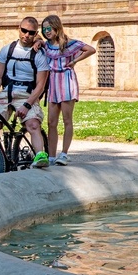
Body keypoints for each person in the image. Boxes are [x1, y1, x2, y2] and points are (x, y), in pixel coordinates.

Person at [0, 16, 50, 171]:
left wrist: (27, 105)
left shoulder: (40, 54)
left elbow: (40, 85)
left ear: (36, 34)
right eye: (24, 30)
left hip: (27, 96)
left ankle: (40, 155)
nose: (26, 35)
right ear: (18, 28)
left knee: (33, 124)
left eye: (31, 32)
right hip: (6, 94)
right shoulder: (7, 49)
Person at [41, 15, 96, 166]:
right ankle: (51, 156)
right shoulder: (46, 45)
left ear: (56, 27)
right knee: (51, 122)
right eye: (44, 29)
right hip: (53, 82)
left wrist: (74, 61)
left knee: (67, 119)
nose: (46, 32)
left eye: (49, 28)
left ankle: (64, 153)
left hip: (66, 81)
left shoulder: (69, 44)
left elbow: (91, 49)